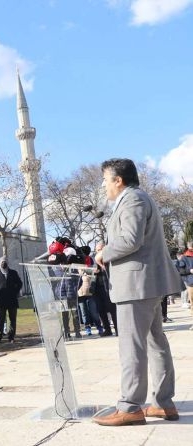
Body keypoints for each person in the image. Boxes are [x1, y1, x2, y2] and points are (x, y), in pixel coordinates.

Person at [92, 158, 181, 426]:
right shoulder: (139, 198)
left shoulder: (132, 200)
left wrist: (103, 253)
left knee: (133, 346)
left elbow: (131, 240)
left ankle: (130, 406)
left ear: (118, 180)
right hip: (146, 283)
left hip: (135, 285)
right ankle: (163, 403)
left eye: (105, 180)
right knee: (156, 344)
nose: (104, 185)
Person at [0, 256, 23, 344]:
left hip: (12, 300)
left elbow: (19, 283)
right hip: (1, 301)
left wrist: (15, 292)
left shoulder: (13, 273)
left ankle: (11, 337)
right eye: (2, 262)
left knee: (13, 319)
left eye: (5, 262)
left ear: (7, 263)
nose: (3, 263)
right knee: (0, 320)